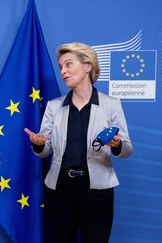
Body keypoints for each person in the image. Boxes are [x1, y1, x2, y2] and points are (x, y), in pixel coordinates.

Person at [24, 42, 133, 243]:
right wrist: (39, 143)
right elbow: (45, 150)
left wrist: (117, 145)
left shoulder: (111, 104)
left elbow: (127, 150)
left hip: (97, 190)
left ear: (87, 66)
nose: (63, 71)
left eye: (68, 64)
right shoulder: (54, 106)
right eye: (61, 67)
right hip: (60, 189)